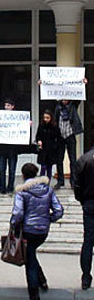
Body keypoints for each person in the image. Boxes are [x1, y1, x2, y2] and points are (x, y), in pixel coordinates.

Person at [10, 163, 63, 300]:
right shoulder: (48, 190)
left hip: (28, 230)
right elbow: (59, 210)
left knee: (30, 263)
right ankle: (42, 281)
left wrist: (13, 225)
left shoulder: (22, 192)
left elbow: (18, 213)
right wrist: (48, 219)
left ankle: (34, 299)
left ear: (23, 175)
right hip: (42, 231)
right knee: (31, 254)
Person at [73, 143, 94, 290]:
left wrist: (82, 199)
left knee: (88, 241)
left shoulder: (84, 159)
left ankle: (86, 277)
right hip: (88, 201)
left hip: (89, 203)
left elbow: (76, 184)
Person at [54, 100, 83, 189]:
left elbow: (79, 98)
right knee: (59, 160)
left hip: (70, 135)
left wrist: (83, 86)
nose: (64, 100)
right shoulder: (57, 107)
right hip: (60, 136)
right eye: (62, 98)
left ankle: (73, 182)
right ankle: (60, 181)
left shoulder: (73, 106)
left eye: (66, 98)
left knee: (73, 160)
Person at [0, 99, 20, 194]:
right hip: (3, 147)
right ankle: (2, 188)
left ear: (12, 106)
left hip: (13, 148)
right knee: (2, 170)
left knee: (12, 169)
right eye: (5, 105)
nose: (6, 107)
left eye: (8, 105)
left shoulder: (18, 117)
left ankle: (10, 188)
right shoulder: (0, 117)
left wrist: (27, 125)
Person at [35, 110, 61, 181]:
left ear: (51, 118)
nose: (45, 119)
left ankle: (47, 182)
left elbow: (58, 137)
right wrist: (39, 141)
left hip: (51, 150)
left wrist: (55, 146)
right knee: (43, 167)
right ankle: (41, 182)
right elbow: (38, 136)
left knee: (49, 168)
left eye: (47, 118)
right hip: (43, 149)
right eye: (44, 117)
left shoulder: (55, 126)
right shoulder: (41, 126)